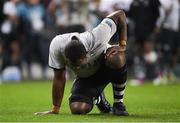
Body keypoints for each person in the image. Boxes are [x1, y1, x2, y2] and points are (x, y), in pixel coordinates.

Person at [35, 10, 129, 116]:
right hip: (86, 77)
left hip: (106, 66)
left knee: (117, 57)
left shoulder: (98, 35)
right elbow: (59, 77)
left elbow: (120, 14)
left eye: (79, 64)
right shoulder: (57, 46)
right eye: (74, 65)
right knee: (77, 109)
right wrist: (55, 109)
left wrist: (122, 44)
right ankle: (99, 98)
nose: (77, 68)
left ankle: (118, 104)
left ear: (87, 53)